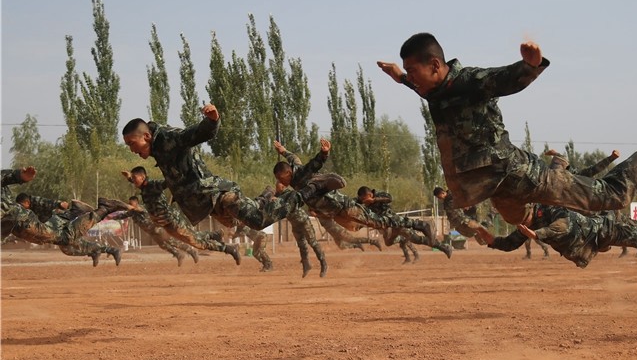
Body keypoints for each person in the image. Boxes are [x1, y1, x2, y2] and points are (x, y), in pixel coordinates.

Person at [378, 33, 637, 225]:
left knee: (611, 197)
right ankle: (563, 227)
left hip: (514, 173)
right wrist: (400, 77)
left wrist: (529, 66)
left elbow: (503, 80)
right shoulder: (434, 91)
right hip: (493, 188)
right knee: (517, 218)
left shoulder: (468, 82)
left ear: (436, 65)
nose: (413, 79)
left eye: (415, 70)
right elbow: (419, 86)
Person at [122, 105, 338, 233]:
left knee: (258, 221)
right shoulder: (156, 148)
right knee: (232, 223)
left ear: (147, 136)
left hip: (217, 194)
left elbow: (195, 134)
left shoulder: (169, 138)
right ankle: (264, 197)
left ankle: (310, 188)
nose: (132, 150)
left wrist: (213, 119)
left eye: (132, 144)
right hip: (207, 203)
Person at [273, 140, 438, 244]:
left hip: (343, 207)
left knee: (378, 222)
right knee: (367, 225)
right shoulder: (293, 172)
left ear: (288, 174)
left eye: (281, 179)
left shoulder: (301, 173)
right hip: (335, 213)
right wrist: (282, 150)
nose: (280, 182)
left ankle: (420, 225)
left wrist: (324, 154)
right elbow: (293, 158)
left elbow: (313, 165)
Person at [476, 204, 637, 269]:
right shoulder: (525, 223)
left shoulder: (548, 211)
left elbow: (564, 225)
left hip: (605, 228)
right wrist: (492, 241)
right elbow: (510, 243)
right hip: (595, 241)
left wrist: (538, 233)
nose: (519, 225)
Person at [122, 166, 241, 264]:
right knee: (193, 239)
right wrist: (129, 177)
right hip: (166, 225)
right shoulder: (143, 187)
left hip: (173, 221)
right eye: (132, 178)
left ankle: (229, 249)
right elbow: (137, 182)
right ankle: (214, 235)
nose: (133, 180)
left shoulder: (152, 185)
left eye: (135, 177)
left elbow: (167, 183)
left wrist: (178, 177)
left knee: (197, 243)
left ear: (143, 177)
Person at [2, 166, 128, 256]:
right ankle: (75, 213)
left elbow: (7, 178)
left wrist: (19, 176)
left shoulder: (27, 203)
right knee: (65, 243)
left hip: (20, 220)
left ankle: (104, 209)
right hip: (14, 225)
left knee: (65, 239)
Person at [14, 192, 122, 266]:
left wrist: (58, 204)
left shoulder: (29, 206)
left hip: (55, 222)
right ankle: (98, 251)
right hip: (48, 229)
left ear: (26, 202)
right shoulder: (22, 213)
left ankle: (76, 210)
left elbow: (41, 201)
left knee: (69, 238)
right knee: (68, 249)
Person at [357, 186, 452, 259]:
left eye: (365, 199)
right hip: (387, 227)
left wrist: (374, 200)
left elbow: (389, 198)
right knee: (388, 242)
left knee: (417, 239)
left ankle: (443, 246)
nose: (364, 202)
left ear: (369, 195)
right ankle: (402, 239)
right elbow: (354, 202)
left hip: (394, 222)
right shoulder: (363, 202)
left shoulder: (378, 195)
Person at [118, 196, 199, 266]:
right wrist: (110, 215)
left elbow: (138, 209)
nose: (130, 204)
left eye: (131, 203)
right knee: (162, 245)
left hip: (158, 229)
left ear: (136, 202)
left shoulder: (141, 208)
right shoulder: (132, 213)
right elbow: (122, 215)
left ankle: (191, 251)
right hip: (151, 232)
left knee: (172, 242)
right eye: (129, 203)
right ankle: (178, 254)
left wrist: (128, 207)